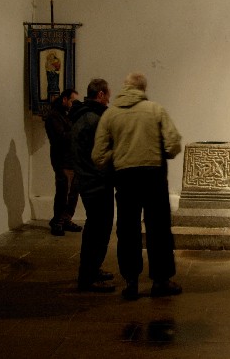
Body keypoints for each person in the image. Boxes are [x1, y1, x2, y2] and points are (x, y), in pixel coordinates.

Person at [92, 72, 182, 300]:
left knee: (128, 230)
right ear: (143, 89)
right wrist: (158, 151)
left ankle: (131, 281)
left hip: (125, 178)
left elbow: (98, 155)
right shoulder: (155, 110)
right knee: (158, 229)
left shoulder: (110, 114)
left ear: (124, 88)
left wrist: (120, 154)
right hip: (153, 175)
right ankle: (160, 280)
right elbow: (173, 144)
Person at [70, 78, 116, 292]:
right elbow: (100, 152)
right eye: (107, 95)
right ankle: (88, 277)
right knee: (98, 229)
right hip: (96, 181)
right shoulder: (94, 119)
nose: (109, 99)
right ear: (100, 95)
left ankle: (92, 269)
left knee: (98, 227)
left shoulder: (80, 115)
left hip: (87, 178)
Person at [44, 88, 83, 236]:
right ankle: (58, 222)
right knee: (63, 192)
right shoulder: (54, 117)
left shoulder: (67, 116)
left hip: (72, 160)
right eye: (72, 101)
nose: (73, 104)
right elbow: (60, 138)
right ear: (64, 99)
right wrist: (77, 130)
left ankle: (66, 219)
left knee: (73, 193)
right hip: (62, 161)